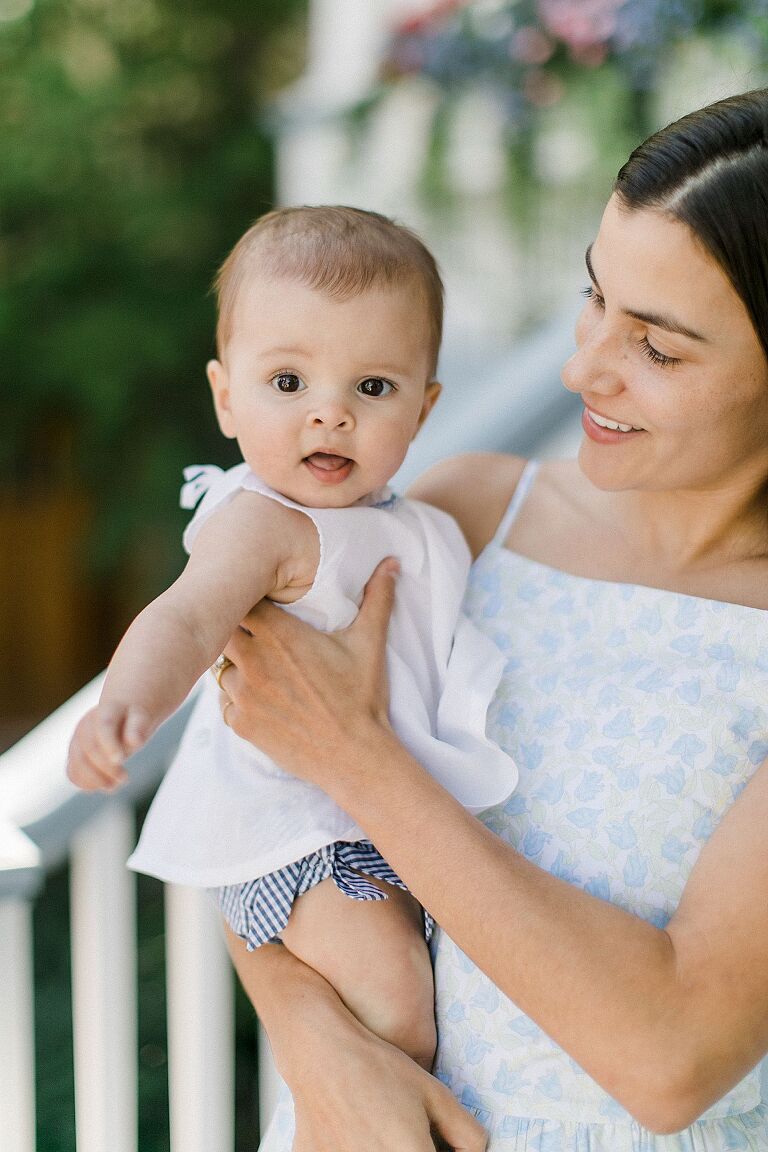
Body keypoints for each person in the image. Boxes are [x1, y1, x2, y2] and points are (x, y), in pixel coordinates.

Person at [211, 89, 768, 1151]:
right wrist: (307, 1031)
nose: (581, 367)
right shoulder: (465, 519)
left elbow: (674, 1058)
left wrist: (363, 758)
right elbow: (250, 778)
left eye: (658, 348)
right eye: (595, 298)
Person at [65, 205, 518, 1072]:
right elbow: (187, 617)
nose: (330, 416)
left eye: (372, 388)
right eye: (287, 384)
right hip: (300, 829)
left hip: (379, 818)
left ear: (423, 408)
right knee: (396, 1011)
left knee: (414, 1012)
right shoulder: (262, 523)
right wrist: (126, 704)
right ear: (225, 397)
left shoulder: (413, 524)